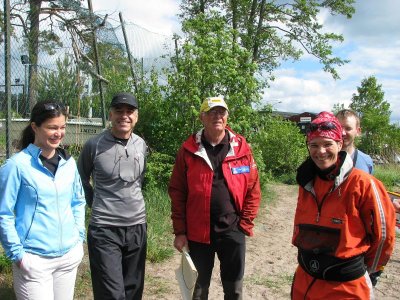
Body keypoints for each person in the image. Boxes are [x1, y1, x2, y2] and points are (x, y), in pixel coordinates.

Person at [291, 111, 396, 299]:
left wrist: (364, 270)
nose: (320, 151)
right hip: (305, 280)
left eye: (327, 144)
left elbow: (383, 237)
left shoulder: (364, 183)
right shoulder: (306, 181)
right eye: (314, 145)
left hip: (346, 286)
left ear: (339, 144)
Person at [169, 96, 261, 300]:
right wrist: (180, 231)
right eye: (212, 112)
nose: (217, 116)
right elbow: (177, 191)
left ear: (227, 117)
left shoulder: (242, 149)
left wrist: (245, 223)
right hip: (198, 232)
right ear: (202, 117)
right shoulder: (188, 150)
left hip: (232, 230)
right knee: (198, 290)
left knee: (234, 289)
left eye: (221, 112)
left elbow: (253, 188)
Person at [0, 100, 86, 300]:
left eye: (62, 127)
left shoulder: (69, 163)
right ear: (34, 127)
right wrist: (19, 256)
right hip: (34, 260)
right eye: (52, 127)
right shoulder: (16, 166)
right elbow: (3, 213)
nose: (59, 133)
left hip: (67, 258)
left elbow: (78, 201)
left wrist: (78, 238)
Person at [78, 92, 147, 300]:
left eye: (129, 111)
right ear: (110, 114)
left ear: (136, 116)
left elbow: (138, 180)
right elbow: (81, 180)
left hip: (136, 226)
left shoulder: (141, 144)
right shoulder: (95, 145)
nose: (124, 116)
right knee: (111, 294)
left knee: (134, 289)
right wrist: (95, 203)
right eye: (119, 111)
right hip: (105, 229)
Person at [336, 109, 374, 174]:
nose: (343, 133)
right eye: (339, 128)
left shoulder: (366, 161)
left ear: (358, 131)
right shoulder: (324, 159)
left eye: (348, 128)